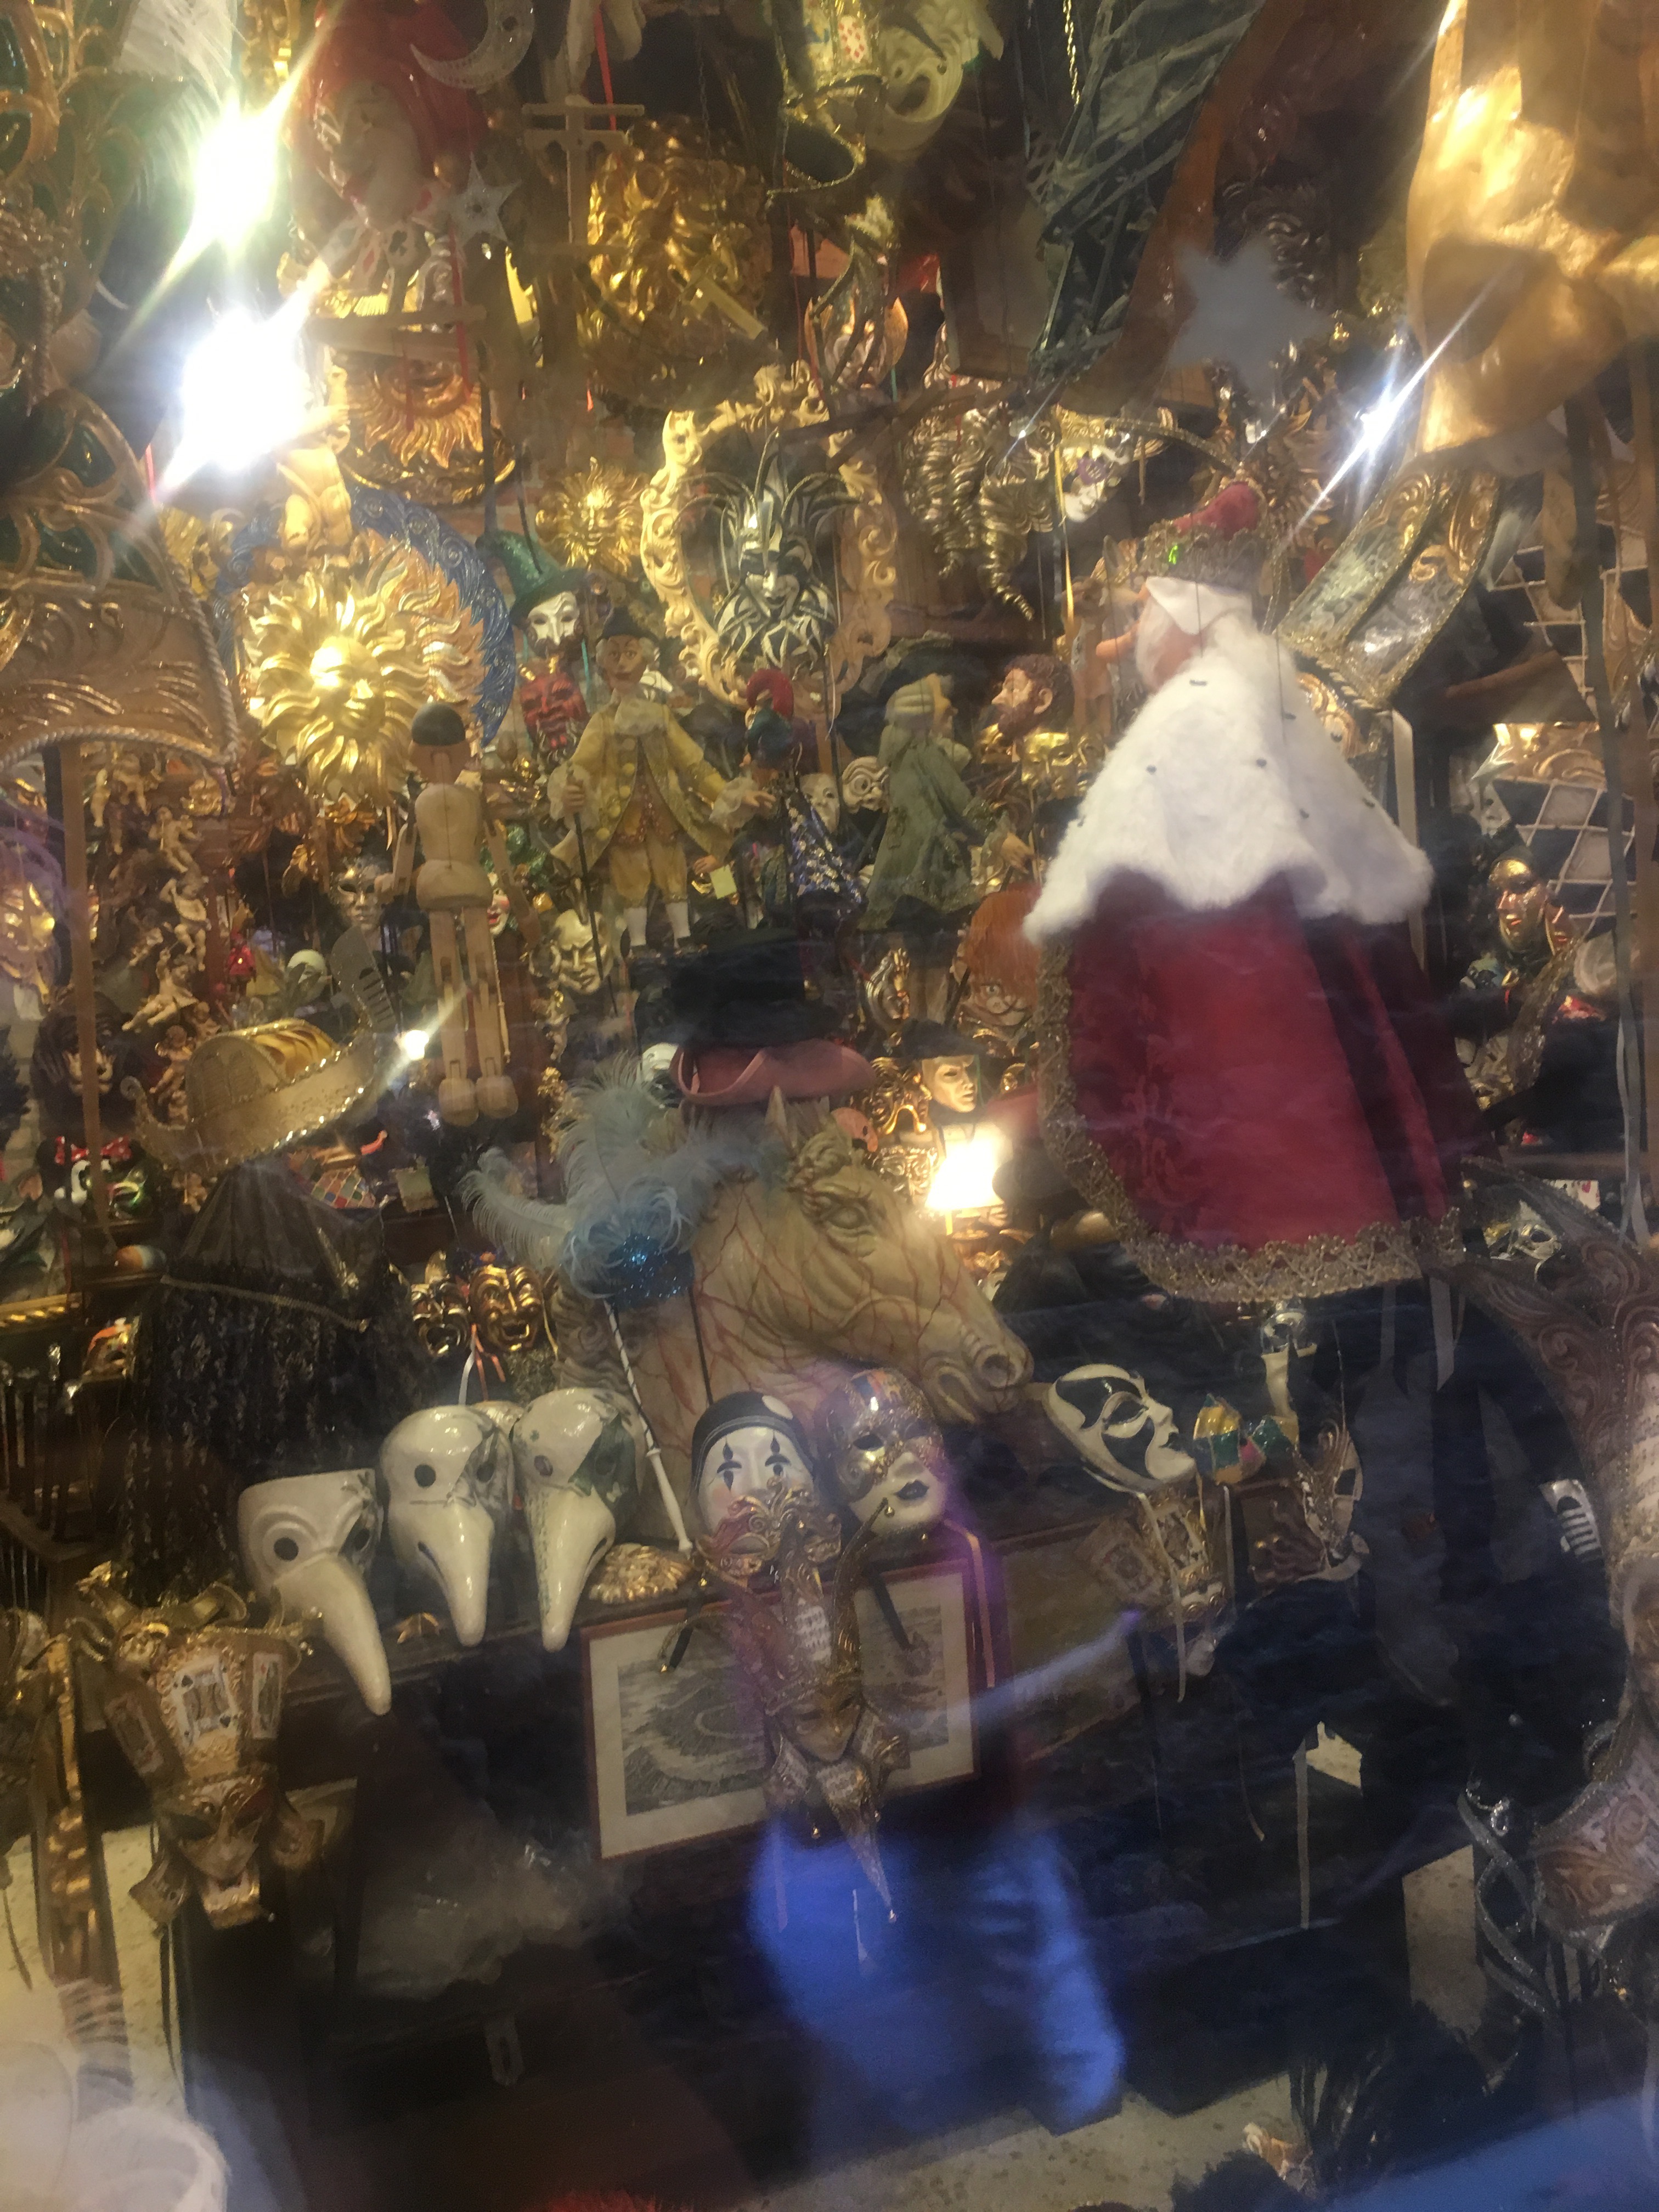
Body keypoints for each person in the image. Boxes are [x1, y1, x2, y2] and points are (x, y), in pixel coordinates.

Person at [1027, 481, 1486, 1300]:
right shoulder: (1261, 694)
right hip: (1309, 985)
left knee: (1282, 1164)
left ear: (1183, 615)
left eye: (1146, 612)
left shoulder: (1193, 710)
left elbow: (1138, 887)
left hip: (1248, 1009)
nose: (1134, 637)